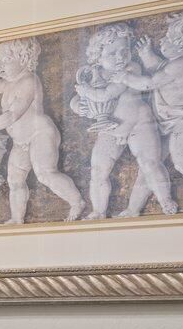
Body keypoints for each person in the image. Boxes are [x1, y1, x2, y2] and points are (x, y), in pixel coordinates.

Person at [0, 37, 85, 224]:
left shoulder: (29, 81)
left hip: (40, 134)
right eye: (0, 60)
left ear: (24, 60)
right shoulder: (9, 83)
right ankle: (17, 219)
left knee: (45, 173)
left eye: (6, 59)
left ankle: (77, 202)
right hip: (20, 142)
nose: (1, 64)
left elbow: (13, 115)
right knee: (15, 180)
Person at [70, 21, 176, 218]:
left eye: (124, 51)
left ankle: (165, 200)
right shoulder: (93, 74)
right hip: (111, 128)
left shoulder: (130, 69)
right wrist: (78, 106)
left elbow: (108, 94)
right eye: (112, 53)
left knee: (150, 164)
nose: (120, 57)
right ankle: (98, 211)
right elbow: (78, 98)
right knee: (98, 170)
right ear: (98, 56)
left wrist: (88, 92)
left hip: (139, 124)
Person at [118, 9, 183, 203]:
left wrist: (125, 77)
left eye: (169, 37)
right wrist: (147, 55)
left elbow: (150, 83)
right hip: (171, 120)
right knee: (149, 165)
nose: (163, 40)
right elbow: (163, 73)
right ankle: (133, 208)